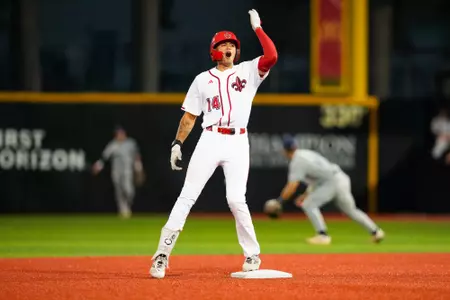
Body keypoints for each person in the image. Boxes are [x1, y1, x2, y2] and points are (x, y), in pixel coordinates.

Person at [149, 9, 278, 279]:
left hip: (238, 141)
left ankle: (252, 253)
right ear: (214, 50)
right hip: (210, 137)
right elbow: (189, 117)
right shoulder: (202, 80)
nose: (229, 48)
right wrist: (177, 143)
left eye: (232, 45)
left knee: (235, 198)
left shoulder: (248, 71)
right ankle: (161, 255)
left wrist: (258, 29)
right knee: (187, 196)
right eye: (224, 44)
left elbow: (272, 56)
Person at [275, 134, 385, 245]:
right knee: (351, 210)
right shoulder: (305, 153)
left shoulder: (297, 162)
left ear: (285, 150)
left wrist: (279, 201)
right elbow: (318, 177)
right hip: (340, 178)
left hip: (331, 182)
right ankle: (376, 231)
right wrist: (306, 194)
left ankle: (323, 235)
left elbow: (292, 186)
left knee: (308, 204)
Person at [92, 125, 143, 218]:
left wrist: (138, 167)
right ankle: (123, 210)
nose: (120, 135)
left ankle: (128, 205)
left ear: (124, 133)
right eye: (118, 133)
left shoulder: (130, 143)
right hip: (116, 172)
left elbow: (137, 156)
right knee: (119, 191)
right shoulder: (113, 145)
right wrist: (98, 166)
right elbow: (104, 157)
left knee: (128, 190)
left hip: (127, 171)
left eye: (121, 133)